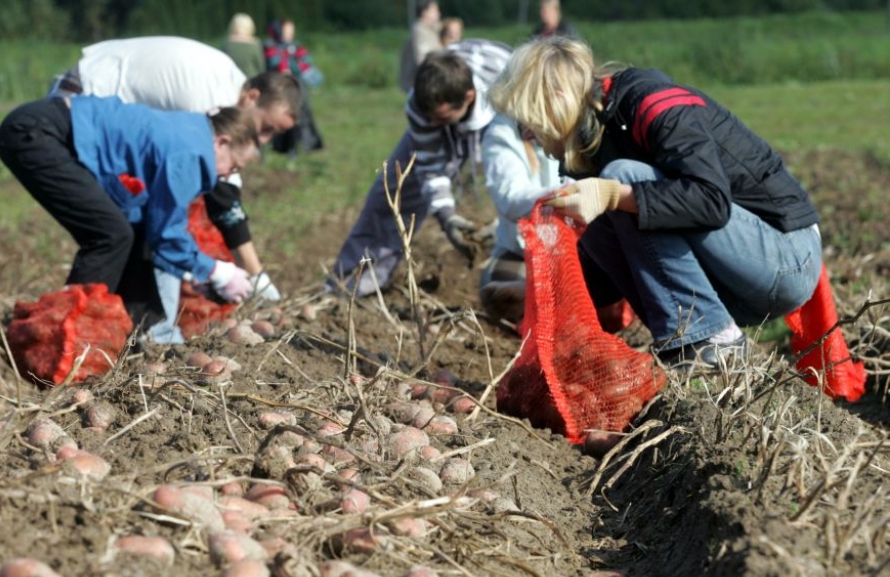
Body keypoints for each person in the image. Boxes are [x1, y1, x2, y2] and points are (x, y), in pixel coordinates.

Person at [489, 37, 823, 370]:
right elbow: (607, 273)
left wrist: (612, 194)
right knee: (608, 214)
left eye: (528, 120)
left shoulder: (652, 102)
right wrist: (538, 294)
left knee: (623, 178)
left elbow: (711, 201)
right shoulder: (599, 140)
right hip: (736, 282)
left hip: (786, 259)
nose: (527, 134)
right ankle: (687, 344)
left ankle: (709, 343)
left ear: (557, 98)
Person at [48, 36, 304, 302]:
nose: (262, 141)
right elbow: (223, 198)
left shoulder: (230, 87)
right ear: (252, 98)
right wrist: (251, 274)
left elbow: (224, 195)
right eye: (266, 129)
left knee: (138, 225)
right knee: (118, 230)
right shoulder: (212, 97)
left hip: (99, 109)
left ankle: (129, 315)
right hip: (85, 99)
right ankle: (94, 316)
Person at [0, 97, 260, 344]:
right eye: (233, 166)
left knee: (129, 231)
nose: (226, 175)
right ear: (222, 142)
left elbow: (150, 224)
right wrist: (217, 271)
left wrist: (193, 272)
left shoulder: (191, 132)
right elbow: (167, 234)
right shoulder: (192, 154)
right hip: (39, 133)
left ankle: (134, 333)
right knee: (111, 235)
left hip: (45, 125)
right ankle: (66, 339)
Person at [328, 39, 513, 297]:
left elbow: (522, 175)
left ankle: (517, 287)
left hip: (502, 108)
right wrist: (446, 216)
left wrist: (505, 220)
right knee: (395, 192)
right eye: (430, 119)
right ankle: (349, 285)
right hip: (457, 100)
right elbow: (430, 166)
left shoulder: (510, 96)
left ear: (468, 98)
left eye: (441, 118)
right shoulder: (422, 105)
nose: (433, 124)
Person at [478, 114, 564, 324]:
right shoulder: (502, 134)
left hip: (582, 247)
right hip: (524, 249)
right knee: (499, 295)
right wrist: (570, 194)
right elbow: (512, 199)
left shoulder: (578, 121)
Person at [264, 18, 324, 157]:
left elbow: (305, 62)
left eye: (291, 29)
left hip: (298, 86)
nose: (290, 32)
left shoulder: (296, 46)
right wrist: (287, 65)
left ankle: (306, 145)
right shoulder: (271, 46)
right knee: (283, 115)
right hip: (281, 87)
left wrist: (296, 66)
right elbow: (275, 62)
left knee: (303, 115)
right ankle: (284, 148)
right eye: (287, 29)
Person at [398, 1, 442, 93]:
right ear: (424, 12)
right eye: (435, 10)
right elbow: (423, 59)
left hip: (426, 81)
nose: (438, 13)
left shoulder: (430, 30)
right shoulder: (420, 32)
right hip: (419, 82)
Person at [221, 12, 266, 78]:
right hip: (251, 80)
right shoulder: (255, 43)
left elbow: (222, 65)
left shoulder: (226, 43)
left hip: (231, 79)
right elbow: (261, 67)